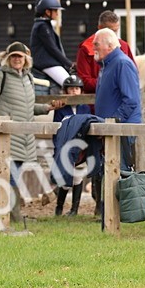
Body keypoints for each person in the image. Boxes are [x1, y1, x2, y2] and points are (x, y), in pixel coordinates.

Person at [0, 42, 64, 233]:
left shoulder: (29, 78)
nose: (17, 59)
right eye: (14, 56)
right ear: (8, 58)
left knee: (6, 174)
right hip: (7, 135)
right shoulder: (1, 76)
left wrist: (48, 108)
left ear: (26, 60)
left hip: (25, 137)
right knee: (11, 175)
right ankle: (14, 215)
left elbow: (29, 108)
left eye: (20, 56)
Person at [93, 28, 142, 173]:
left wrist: (112, 122)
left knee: (121, 176)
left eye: (96, 44)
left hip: (121, 132)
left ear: (109, 46)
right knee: (109, 176)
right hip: (111, 131)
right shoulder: (107, 65)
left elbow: (131, 100)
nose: (93, 47)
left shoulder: (122, 63)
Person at [52, 74, 91, 216]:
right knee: (65, 177)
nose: (74, 91)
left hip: (80, 147)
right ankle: (59, 208)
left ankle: (74, 209)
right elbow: (56, 129)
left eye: (77, 89)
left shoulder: (85, 108)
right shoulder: (60, 108)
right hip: (65, 146)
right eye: (71, 89)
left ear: (81, 91)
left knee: (78, 176)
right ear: (65, 91)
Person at [75, 10, 135, 94]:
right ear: (99, 28)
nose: (114, 35)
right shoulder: (86, 49)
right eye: (110, 31)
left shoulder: (124, 46)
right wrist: (112, 83)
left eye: (116, 31)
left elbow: (133, 74)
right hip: (95, 101)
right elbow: (84, 81)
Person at [30, 0, 74, 88]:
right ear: (47, 11)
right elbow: (52, 49)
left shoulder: (45, 24)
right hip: (47, 63)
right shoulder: (42, 26)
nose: (57, 13)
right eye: (55, 10)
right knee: (70, 84)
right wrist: (69, 64)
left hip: (50, 62)